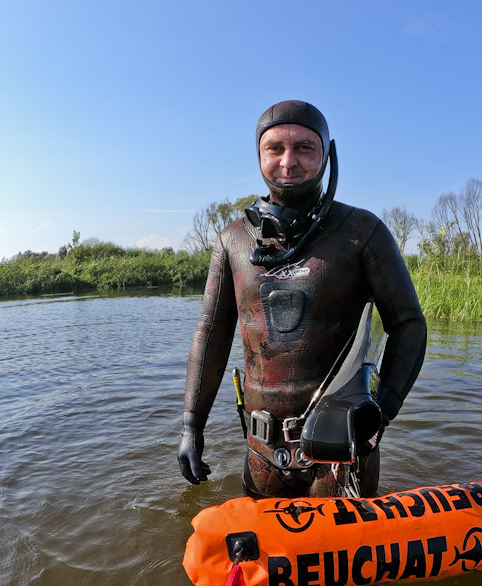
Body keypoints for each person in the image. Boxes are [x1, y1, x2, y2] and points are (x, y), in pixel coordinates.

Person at [178, 100, 426, 498]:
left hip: (344, 454)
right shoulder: (232, 241)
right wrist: (192, 424)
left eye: (305, 148)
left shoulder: (362, 232)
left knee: (345, 557)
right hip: (262, 452)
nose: (288, 162)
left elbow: (408, 324)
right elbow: (212, 332)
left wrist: (380, 413)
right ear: (259, 155)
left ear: (327, 155)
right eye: (274, 148)